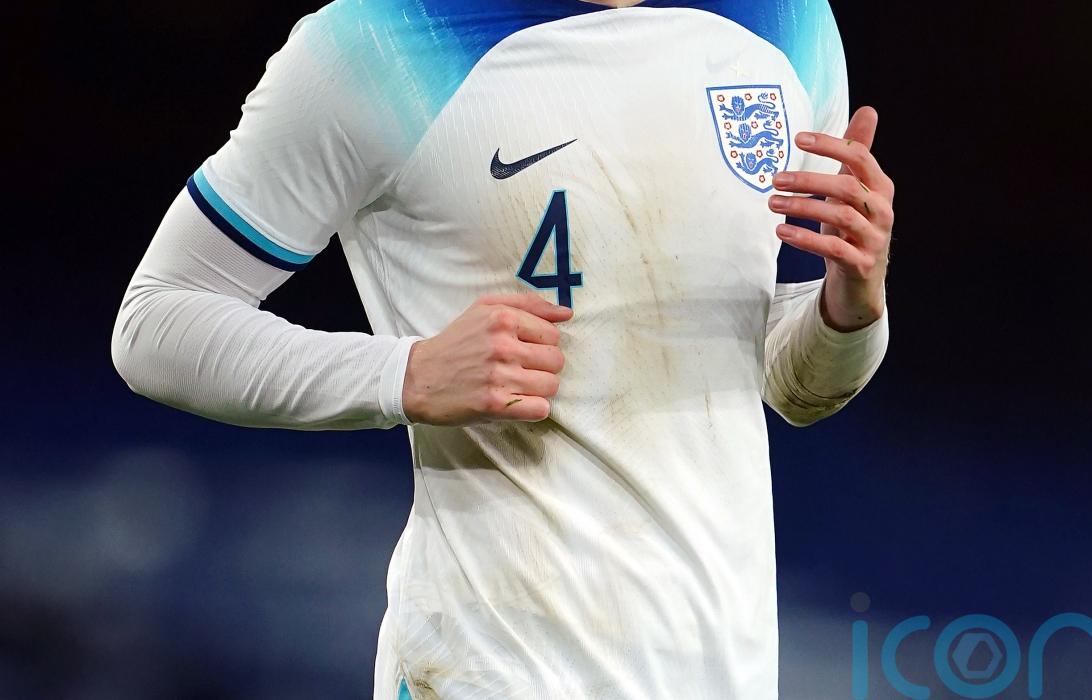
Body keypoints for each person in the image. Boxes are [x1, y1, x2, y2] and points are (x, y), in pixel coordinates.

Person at [111, 0, 894, 697]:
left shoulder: (789, 24)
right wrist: (404, 374)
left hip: (721, 671)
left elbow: (788, 383)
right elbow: (157, 322)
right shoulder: (380, 40)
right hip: (491, 669)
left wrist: (850, 310)